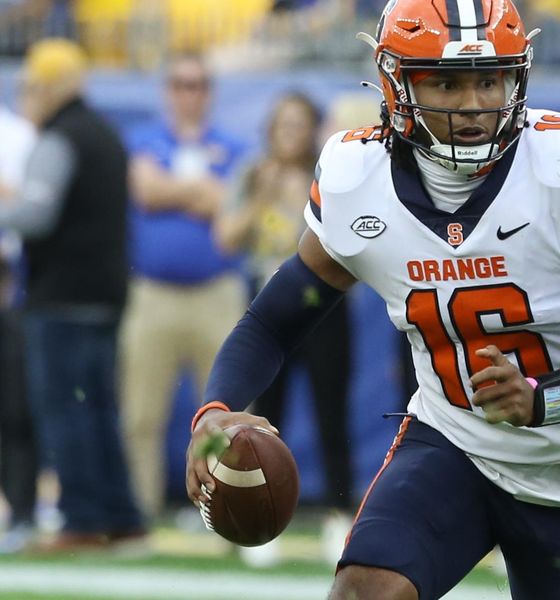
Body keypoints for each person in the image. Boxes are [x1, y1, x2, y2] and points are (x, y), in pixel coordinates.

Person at [187, 0, 560, 598]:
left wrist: (543, 398)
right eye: (447, 83)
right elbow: (274, 322)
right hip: (455, 443)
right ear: (394, 84)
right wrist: (215, 407)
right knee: (364, 591)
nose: (475, 103)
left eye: (490, 78)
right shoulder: (358, 179)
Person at [0, 38, 145, 552]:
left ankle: (81, 519)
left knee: (66, 411)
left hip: (61, 296)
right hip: (104, 293)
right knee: (99, 409)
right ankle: (123, 517)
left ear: (51, 85)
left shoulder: (61, 137)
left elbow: (36, 216)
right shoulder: (105, 132)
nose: (27, 95)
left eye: (32, 85)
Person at [215, 92, 354, 565]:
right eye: (283, 124)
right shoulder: (252, 173)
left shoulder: (329, 175)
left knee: (330, 413)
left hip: (323, 307)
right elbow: (227, 236)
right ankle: (257, 515)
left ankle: (339, 514)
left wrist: (300, 198)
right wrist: (262, 197)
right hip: (268, 304)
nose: (290, 133)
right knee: (263, 414)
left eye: (299, 124)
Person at [121, 52, 247, 523]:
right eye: (179, 84)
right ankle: (140, 513)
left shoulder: (234, 145)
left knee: (229, 414)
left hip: (218, 290)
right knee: (141, 412)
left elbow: (231, 201)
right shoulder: (142, 139)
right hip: (152, 293)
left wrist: (171, 189)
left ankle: (233, 513)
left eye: (196, 85)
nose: (188, 93)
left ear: (208, 92)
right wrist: (202, 193)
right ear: (167, 91)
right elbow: (145, 192)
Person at [0, 97, 36, 553]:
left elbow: (31, 213)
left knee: (14, 410)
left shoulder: (18, 134)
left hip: (7, 286)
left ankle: (20, 509)